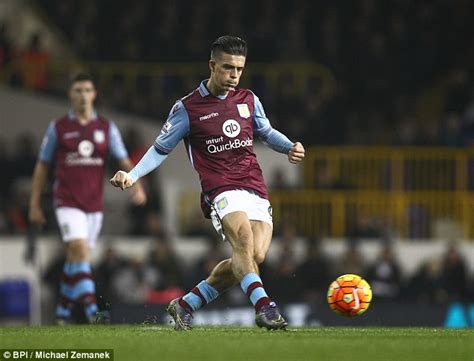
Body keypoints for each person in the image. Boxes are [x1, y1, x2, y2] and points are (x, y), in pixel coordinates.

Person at [110, 35, 305, 330]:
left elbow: (266, 131)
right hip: (220, 188)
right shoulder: (188, 108)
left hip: (254, 185)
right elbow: (160, 149)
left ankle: (187, 304)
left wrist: (289, 146)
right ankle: (265, 307)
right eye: (228, 68)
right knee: (242, 242)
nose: (234, 76)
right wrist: (132, 174)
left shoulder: (248, 100)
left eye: (239, 69)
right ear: (212, 65)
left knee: (253, 257)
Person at [29, 73, 146, 324]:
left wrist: (136, 183)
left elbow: (123, 159)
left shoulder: (106, 128)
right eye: (78, 90)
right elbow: (42, 166)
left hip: (94, 205)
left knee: (75, 258)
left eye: (87, 90)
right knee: (80, 250)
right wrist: (34, 203)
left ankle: (62, 312)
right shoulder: (59, 128)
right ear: (71, 95)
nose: (83, 95)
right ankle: (94, 312)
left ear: (94, 94)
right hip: (66, 201)